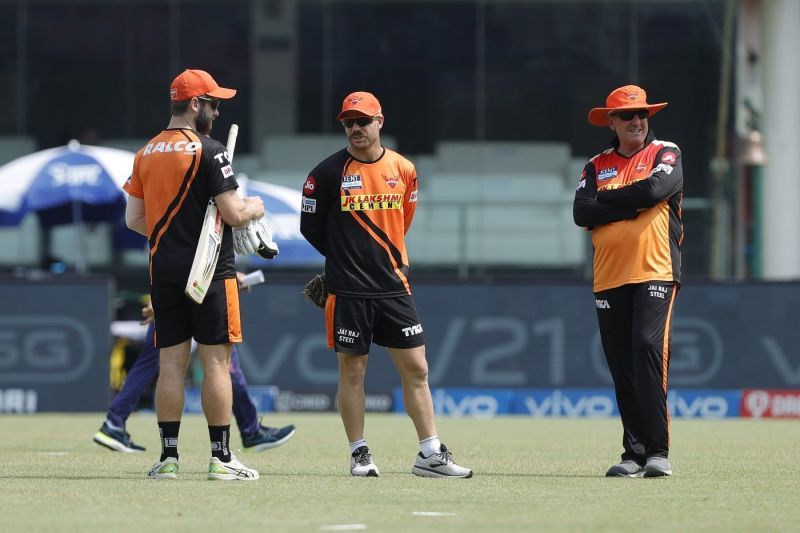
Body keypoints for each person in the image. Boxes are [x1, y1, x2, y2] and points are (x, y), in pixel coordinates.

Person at [300, 91, 472, 478]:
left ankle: (429, 454)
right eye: (349, 123)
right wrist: (343, 259)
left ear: (380, 121)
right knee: (353, 373)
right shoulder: (326, 174)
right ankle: (359, 453)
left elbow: (403, 220)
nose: (356, 128)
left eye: (363, 121)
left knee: (417, 369)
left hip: (394, 286)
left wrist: (382, 259)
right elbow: (309, 226)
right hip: (349, 290)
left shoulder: (404, 169)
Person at [124, 69, 266, 480]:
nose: (218, 111)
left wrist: (175, 230)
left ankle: (168, 458)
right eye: (214, 103)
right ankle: (221, 459)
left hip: (163, 271)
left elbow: (134, 218)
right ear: (194, 105)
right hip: (210, 272)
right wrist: (254, 206)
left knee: (171, 364)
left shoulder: (145, 152)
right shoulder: (211, 149)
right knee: (216, 363)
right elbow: (234, 213)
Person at [573, 85, 683, 478]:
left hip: (656, 270)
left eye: (643, 114)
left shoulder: (666, 152)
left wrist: (611, 203)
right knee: (622, 365)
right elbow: (582, 213)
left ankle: (658, 452)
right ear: (612, 122)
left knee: (647, 348)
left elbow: (657, 189)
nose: (637, 121)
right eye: (628, 116)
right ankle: (633, 455)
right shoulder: (595, 164)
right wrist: (635, 204)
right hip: (608, 276)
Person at [93, 278, 296, 455]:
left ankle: (118, 423)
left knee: (162, 363)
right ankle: (248, 433)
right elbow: (194, 252)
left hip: (177, 289)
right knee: (218, 364)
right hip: (194, 292)